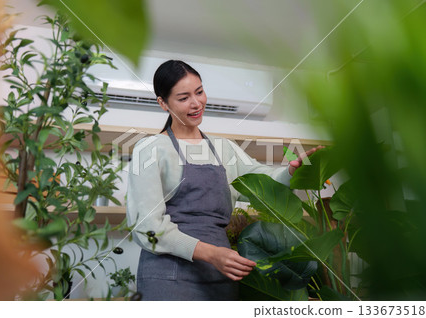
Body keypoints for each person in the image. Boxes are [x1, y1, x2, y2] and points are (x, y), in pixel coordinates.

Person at [126, 60, 318, 301]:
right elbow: (148, 227)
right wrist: (211, 253)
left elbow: (261, 182)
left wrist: (291, 171)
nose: (196, 103)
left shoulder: (223, 148)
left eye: (199, 91)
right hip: (169, 277)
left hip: (222, 275)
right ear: (163, 103)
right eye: (183, 98)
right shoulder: (151, 149)